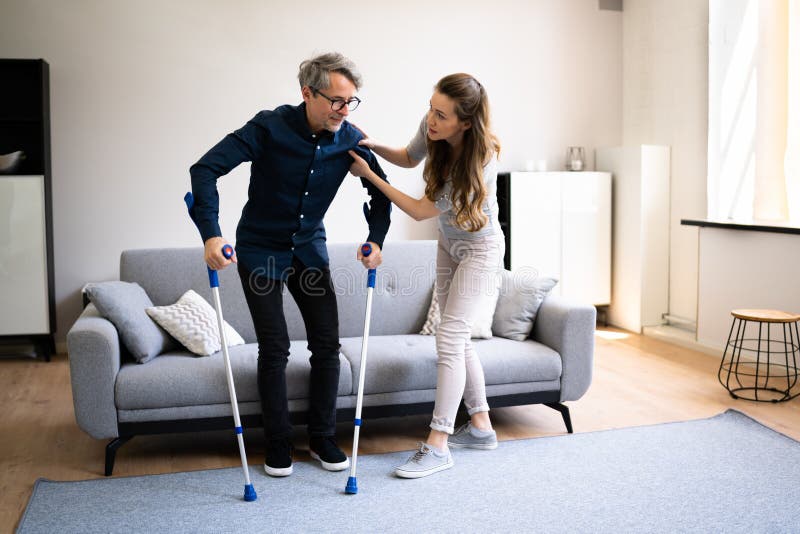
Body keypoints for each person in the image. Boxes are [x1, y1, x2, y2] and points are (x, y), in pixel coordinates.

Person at [190, 52, 391, 477]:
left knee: (326, 344)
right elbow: (204, 168)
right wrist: (211, 232)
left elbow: (381, 191)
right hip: (261, 250)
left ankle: (321, 439)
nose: (344, 110)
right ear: (307, 93)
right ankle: (278, 444)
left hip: (309, 253)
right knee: (275, 347)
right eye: (336, 100)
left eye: (351, 101)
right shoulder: (269, 127)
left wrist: (375, 239)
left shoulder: (350, 138)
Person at [349, 73, 504, 478]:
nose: (431, 120)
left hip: (481, 249)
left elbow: (419, 210)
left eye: (442, 115)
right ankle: (482, 428)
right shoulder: (432, 125)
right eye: (430, 108)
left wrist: (369, 176)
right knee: (457, 337)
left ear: (465, 123)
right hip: (449, 242)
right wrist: (370, 145)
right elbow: (407, 156)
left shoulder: (479, 157)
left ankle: (438, 444)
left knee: (450, 337)